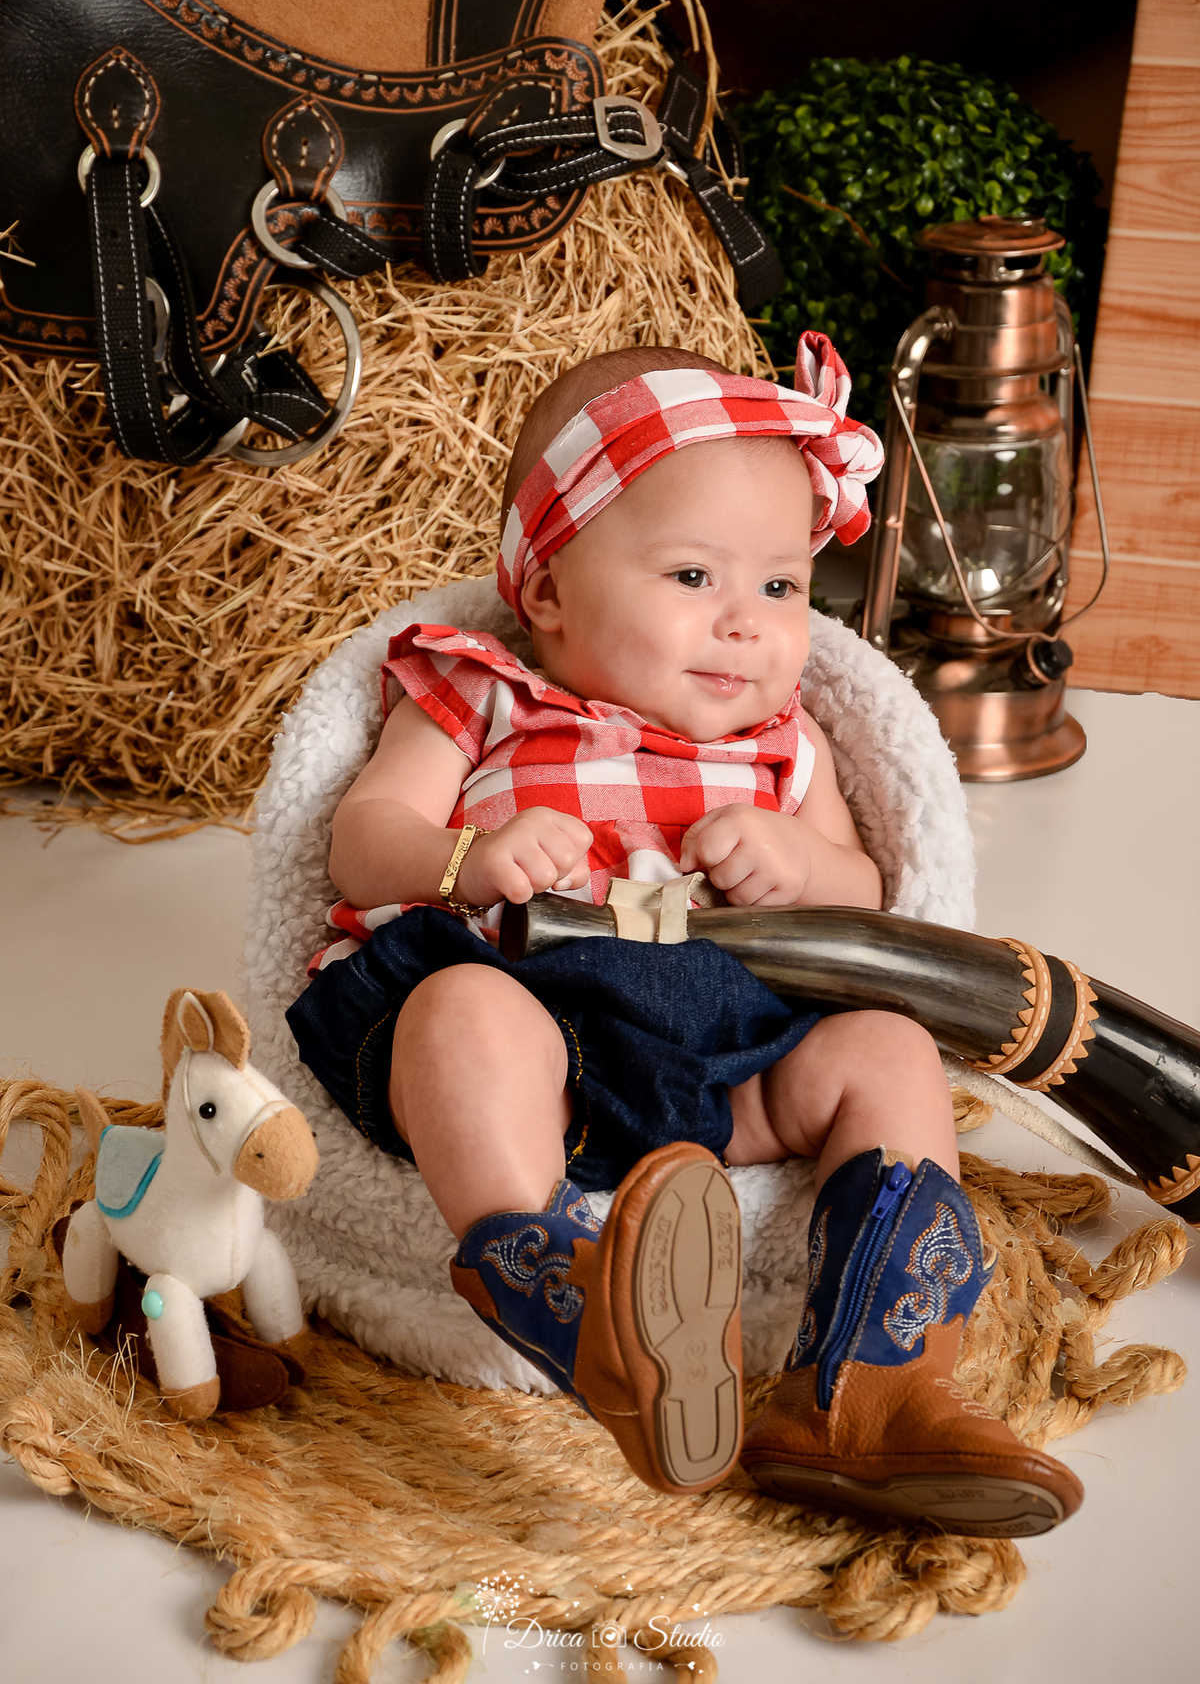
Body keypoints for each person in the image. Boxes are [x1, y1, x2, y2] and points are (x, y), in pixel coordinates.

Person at [287, 336, 1082, 1536]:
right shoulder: (485, 689)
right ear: (546, 589)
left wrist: (801, 864)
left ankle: (880, 1385)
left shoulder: (785, 745)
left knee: (886, 1054)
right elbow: (360, 836)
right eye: (695, 576)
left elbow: (867, 893)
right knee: (460, 1017)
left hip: (722, 1061)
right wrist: (466, 858)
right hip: (529, 1025)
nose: (745, 627)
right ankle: (587, 1309)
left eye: (779, 589)